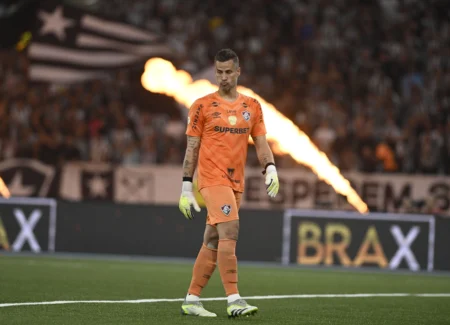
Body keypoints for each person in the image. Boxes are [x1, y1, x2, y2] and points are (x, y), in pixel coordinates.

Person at [178, 48, 280, 318]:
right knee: (231, 229)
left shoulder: (252, 106)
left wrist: (270, 168)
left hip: (236, 182)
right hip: (212, 179)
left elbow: (261, 143)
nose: (223, 77)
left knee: (212, 238)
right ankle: (234, 299)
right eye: (219, 72)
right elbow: (192, 148)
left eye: (228, 72)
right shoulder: (201, 105)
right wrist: (186, 186)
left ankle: (191, 298)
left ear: (238, 71)